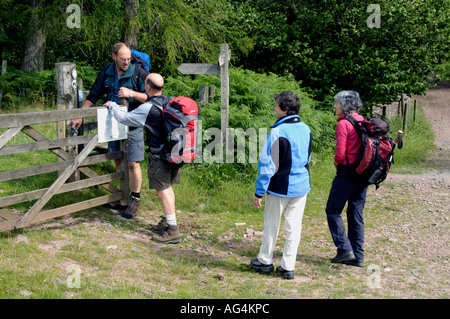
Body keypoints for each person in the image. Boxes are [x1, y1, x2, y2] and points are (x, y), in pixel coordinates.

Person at [71, 42, 149, 219]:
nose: (126, 62)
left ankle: (134, 199)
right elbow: (94, 95)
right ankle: (119, 195)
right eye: (122, 59)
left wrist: (132, 94)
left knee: (133, 162)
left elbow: (151, 97)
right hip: (113, 123)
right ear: (114, 56)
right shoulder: (107, 72)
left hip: (133, 122)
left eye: (129, 58)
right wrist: (80, 114)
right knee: (117, 160)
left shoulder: (139, 73)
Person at [105, 73, 182, 244]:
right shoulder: (170, 101)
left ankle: (173, 230)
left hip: (160, 154)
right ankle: (166, 221)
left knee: (162, 190)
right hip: (176, 151)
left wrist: (112, 106)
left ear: (148, 87)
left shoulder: (148, 107)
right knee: (167, 188)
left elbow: (124, 118)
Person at [251, 91, 312, 279]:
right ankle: (288, 267)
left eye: (276, 105)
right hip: (301, 186)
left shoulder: (277, 131)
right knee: (294, 226)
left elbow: (267, 166)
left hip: (279, 187)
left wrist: (259, 192)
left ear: (285, 110)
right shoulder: (306, 129)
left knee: (271, 225)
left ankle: (265, 260)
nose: (274, 108)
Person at [325, 90, 368, 267]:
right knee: (355, 212)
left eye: (336, 103)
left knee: (333, 210)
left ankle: (344, 250)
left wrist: (336, 163)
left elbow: (341, 153)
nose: (334, 106)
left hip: (347, 173)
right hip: (363, 173)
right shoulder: (362, 120)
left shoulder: (344, 124)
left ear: (344, 105)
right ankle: (358, 255)